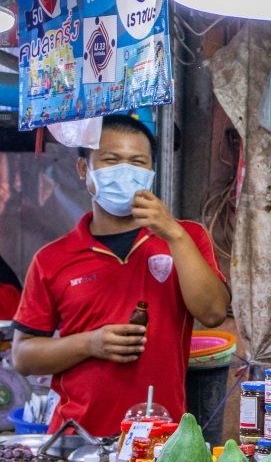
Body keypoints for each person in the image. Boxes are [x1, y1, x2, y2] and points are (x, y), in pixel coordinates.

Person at [11, 115, 229, 437]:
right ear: (85, 171)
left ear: (151, 174)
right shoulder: (52, 259)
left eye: (137, 162)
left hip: (159, 439)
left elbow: (213, 313)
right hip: (76, 437)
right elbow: (23, 356)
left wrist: (173, 234)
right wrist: (90, 343)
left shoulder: (186, 238)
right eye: (111, 160)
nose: (125, 171)